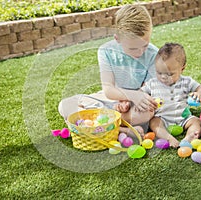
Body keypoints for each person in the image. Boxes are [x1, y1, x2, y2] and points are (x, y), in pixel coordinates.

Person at [58, 4, 159, 137]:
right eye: (133, 48)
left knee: (147, 112)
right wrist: (128, 96)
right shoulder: (105, 51)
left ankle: (95, 127)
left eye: (144, 45)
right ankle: (120, 129)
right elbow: (108, 90)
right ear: (117, 39)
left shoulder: (154, 54)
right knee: (66, 104)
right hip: (108, 101)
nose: (140, 52)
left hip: (133, 107)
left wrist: (131, 100)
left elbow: (149, 89)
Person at [141, 42, 201, 147]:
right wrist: (146, 98)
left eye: (169, 74)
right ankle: (169, 138)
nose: (163, 77)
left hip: (183, 117)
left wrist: (199, 93)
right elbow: (140, 92)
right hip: (162, 118)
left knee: (197, 121)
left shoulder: (186, 81)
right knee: (153, 123)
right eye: (159, 72)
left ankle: (189, 137)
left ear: (182, 68)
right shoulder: (153, 83)